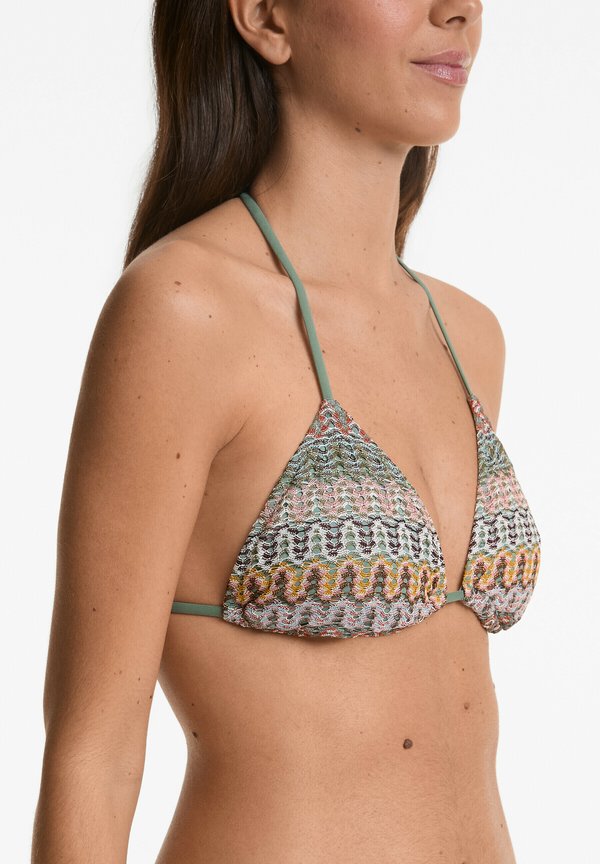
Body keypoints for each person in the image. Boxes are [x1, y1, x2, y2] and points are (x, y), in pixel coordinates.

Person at [32, 1, 542, 862]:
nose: (457, 10)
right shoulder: (185, 311)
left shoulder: (468, 334)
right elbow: (95, 756)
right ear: (267, 17)